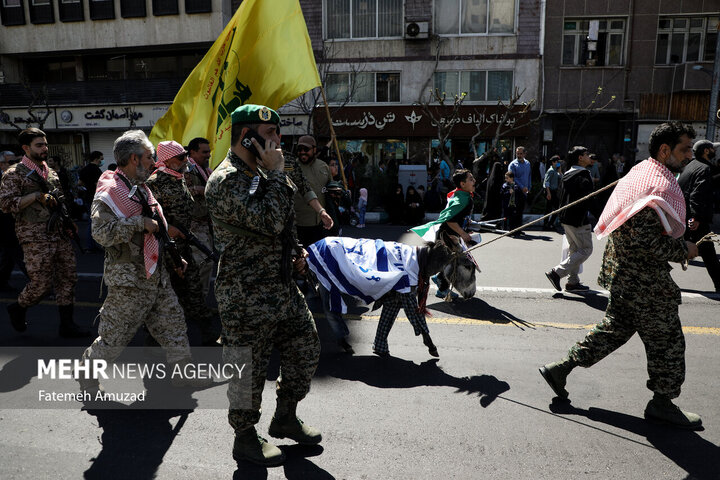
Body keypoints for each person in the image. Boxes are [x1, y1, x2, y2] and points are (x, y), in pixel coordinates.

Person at [539, 121, 702, 430]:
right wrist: (686, 250)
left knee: (612, 332)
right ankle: (663, 403)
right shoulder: (654, 185)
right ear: (665, 150)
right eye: (684, 150)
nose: (688, 156)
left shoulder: (642, 174)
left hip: (626, 276)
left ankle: (561, 368)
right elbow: (647, 242)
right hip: (645, 283)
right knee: (668, 344)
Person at [205, 104, 321, 466]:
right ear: (246, 136)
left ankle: (285, 416)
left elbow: (284, 226)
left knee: (306, 346)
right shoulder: (225, 180)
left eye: (277, 135)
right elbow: (268, 221)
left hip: (281, 287)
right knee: (248, 372)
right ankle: (244, 436)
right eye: (270, 135)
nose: (278, 142)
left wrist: (298, 252)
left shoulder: (266, 170)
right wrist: (275, 175)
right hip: (245, 293)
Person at [79, 130, 208, 394]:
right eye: (150, 157)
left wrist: (175, 259)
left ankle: (183, 375)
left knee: (174, 325)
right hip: (129, 280)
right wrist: (139, 223)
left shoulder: (142, 188)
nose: (154, 161)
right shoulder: (110, 191)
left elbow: (158, 229)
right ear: (135, 159)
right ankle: (88, 377)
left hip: (157, 274)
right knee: (114, 339)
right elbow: (100, 234)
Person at [0, 128, 88, 337]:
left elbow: (60, 200)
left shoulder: (51, 172)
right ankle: (18, 308)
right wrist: (36, 196)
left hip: (59, 232)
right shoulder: (14, 174)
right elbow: (5, 204)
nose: (44, 149)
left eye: (45, 144)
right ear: (25, 148)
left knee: (68, 277)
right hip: (34, 236)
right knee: (41, 285)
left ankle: (67, 325)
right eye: (39, 145)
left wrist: (69, 221)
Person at [146, 140, 219, 346]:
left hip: (183, 245)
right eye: (181, 157)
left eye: (186, 155)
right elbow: (147, 216)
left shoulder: (179, 179)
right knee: (165, 297)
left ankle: (208, 336)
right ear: (168, 160)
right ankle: (152, 341)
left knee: (193, 290)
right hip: (164, 249)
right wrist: (168, 229)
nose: (186, 160)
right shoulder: (155, 182)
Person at [411, 169, 479, 299]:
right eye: (470, 179)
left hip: (450, 234)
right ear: (462, 183)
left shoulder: (462, 195)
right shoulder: (462, 198)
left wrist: (467, 223)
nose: (474, 181)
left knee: (448, 262)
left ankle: (439, 281)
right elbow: (450, 220)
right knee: (447, 262)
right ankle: (430, 288)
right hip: (447, 236)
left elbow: (457, 216)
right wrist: (463, 234)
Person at [545, 146, 596, 292]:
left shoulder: (567, 174)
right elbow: (589, 200)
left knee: (575, 250)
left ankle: (573, 282)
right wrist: (602, 217)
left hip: (566, 218)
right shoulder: (583, 175)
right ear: (580, 157)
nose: (589, 157)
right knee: (586, 249)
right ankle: (557, 272)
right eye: (587, 154)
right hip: (578, 220)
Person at [677, 140, 720, 292]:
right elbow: (697, 194)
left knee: (699, 251)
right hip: (694, 219)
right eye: (712, 149)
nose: (714, 151)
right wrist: (695, 217)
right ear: (706, 151)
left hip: (684, 215)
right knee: (708, 252)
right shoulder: (704, 169)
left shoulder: (690, 166)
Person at [184, 137, 215, 301]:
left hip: (206, 224)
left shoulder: (204, 170)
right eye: (204, 152)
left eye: (209, 151)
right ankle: (197, 302)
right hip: (193, 225)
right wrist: (202, 190)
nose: (208, 155)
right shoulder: (188, 170)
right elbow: (184, 192)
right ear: (193, 152)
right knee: (204, 262)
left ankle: (197, 302)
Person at [291, 135, 334, 247]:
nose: (302, 152)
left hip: (321, 224)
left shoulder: (323, 166)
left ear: (314, 149)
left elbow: (330, 188)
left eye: (306, 149)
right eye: (299, 149)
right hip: (298, 225)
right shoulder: (291, 168)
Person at [0, 151, 26, 292]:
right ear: (2, 164)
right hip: (5, 224)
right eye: (11, 163)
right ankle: (39, 285)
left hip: (13, 222)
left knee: (8, 257)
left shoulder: (14, 176)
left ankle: (2, 281)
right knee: (19, 254)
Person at [79, 150, 104, 251]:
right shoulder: (97, 170)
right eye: (101, 159)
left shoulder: (84, 169)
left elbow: (79, 183)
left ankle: (91, 245)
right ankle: (92, 245)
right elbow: (99, 185)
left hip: (87, 197)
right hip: (95, 198)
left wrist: (87, 187)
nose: (102, 161)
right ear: (97, 158)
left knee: (91, 222)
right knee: (95, 222)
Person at [508, 146, 531, 218]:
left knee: (520, 211)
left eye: (521, 154)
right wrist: (522, 187)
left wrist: (529, 187)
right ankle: (514, 228)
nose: (519, 155)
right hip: (516, 191)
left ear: (524, 154)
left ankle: (519, 227)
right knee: (515, 212)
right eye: (517, 154)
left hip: (525, 192)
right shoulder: (513, 164)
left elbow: (529, 176)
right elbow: (512, 178)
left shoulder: (527, 163)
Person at [542, 155, 562, 230]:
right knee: (550, 209)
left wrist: (560, 171)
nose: (558, 164)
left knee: (554, 208)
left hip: (554, 191)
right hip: (550, 191)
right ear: (553, 162)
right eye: (557, 162)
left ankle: (549, 223)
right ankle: (547, 224)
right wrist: (548, 193)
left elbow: (562, 178)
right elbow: (546, 182)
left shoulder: (556, 170)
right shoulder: (550, 170)